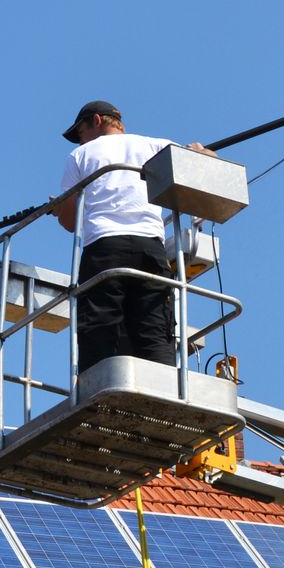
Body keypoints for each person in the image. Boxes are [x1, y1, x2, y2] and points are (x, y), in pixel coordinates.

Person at [52, 100, 211, 370]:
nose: (81, 141)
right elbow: (206, 163)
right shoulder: (155, 147)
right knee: (154, 329)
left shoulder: (80, 156)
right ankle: (164, 386)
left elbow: (70, 222)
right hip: (150, 248)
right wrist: (202, 151)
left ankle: (98, 387)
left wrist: (59, 209)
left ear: (97, 121)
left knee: (99, 330)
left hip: (105, 247)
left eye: (81, 133)